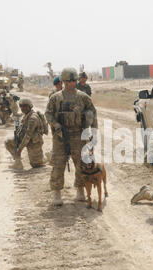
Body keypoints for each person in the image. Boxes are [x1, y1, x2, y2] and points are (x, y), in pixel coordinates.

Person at [45, 67, 98, 206]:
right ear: (63, 81)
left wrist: (93, 131)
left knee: (81, 164)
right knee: (58, 164)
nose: (72, 83)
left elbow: (93, 112)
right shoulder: (56, 98)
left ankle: (80, 191)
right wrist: (55, 125)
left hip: (79, 135)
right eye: (69, 81)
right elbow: (48, 114)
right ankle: (57, 193)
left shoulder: (83, 97)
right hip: (61, 136)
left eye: (74, 80)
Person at [5, 98, 45, 170]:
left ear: (29, 107)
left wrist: (19, 149)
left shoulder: (33, 118)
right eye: (21, 106)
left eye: (25, 106)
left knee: (36, 165)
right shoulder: (25, 115)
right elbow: (19, 127)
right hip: (24, 139)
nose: (23, 108)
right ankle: (18, 163)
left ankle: (47, 157)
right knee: (8, 142)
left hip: (33, 142)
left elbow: (28, 135)